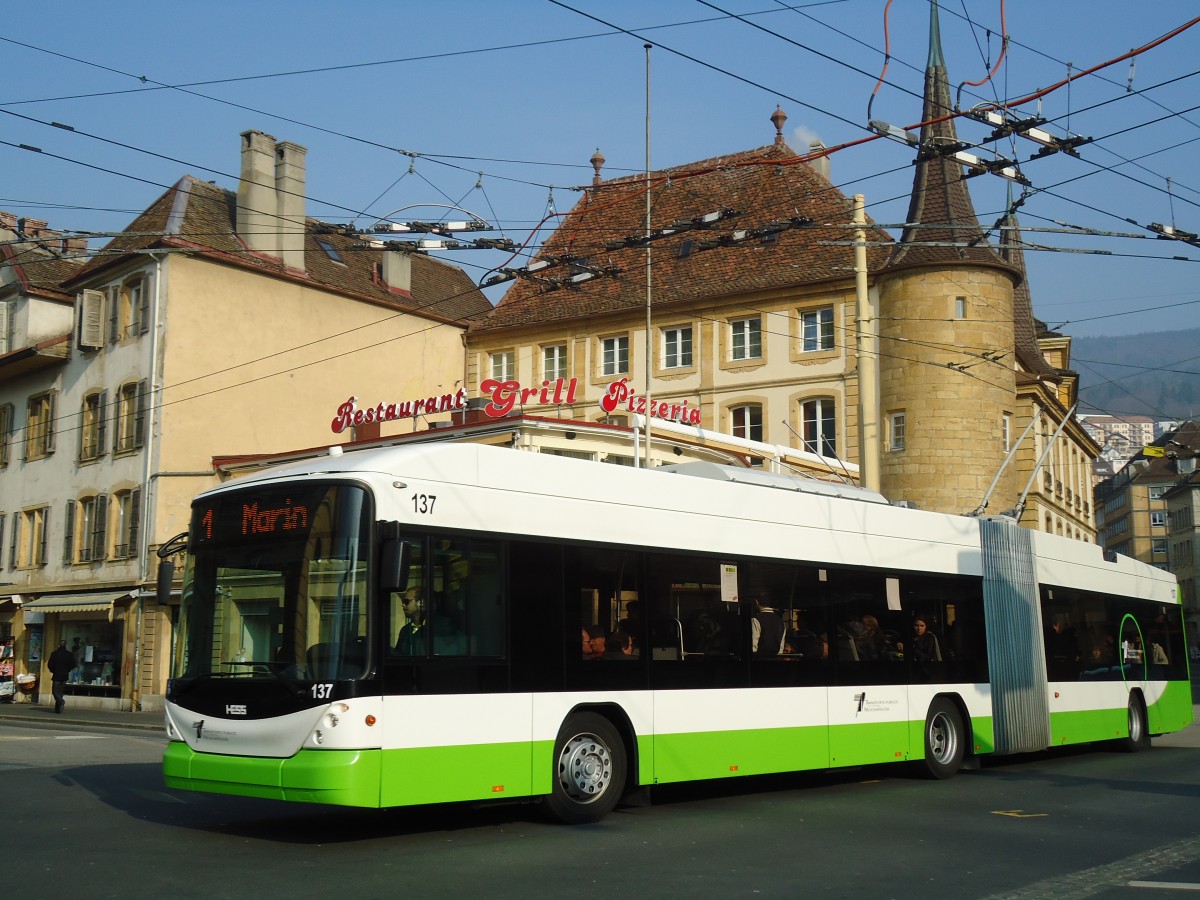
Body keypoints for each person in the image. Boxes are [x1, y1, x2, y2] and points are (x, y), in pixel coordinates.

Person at [393, 587, 427, 656]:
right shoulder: (405, 630)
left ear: (420, 603)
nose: (403, 605)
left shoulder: (435, 627)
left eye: (406, 602)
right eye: (403, 602)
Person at [48, 639, 75, 714]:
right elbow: (73, 664)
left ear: (58, 645)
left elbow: (50, 664)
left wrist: (53, 670)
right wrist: (68, 669)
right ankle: (58, 708)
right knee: (60, 691)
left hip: (56, 675)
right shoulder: (69, 654)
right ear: (66, 645)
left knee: (55, 691)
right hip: (65, 675)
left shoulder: (54, 654)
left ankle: (60, 702)